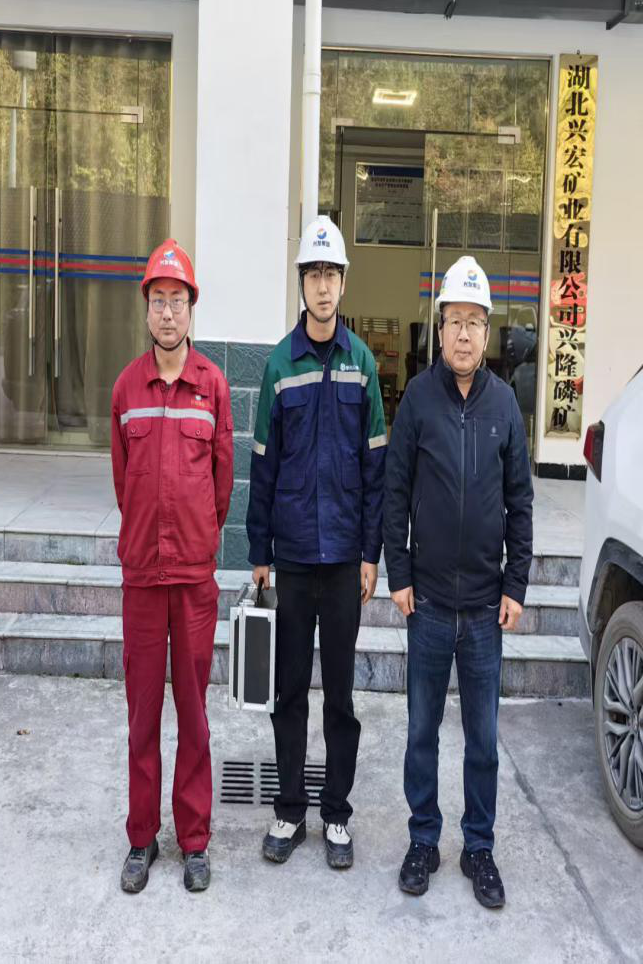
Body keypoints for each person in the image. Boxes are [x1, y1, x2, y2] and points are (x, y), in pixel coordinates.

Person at [384, 255, 533, 906]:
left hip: (483, 607)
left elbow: (521, 501)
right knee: (421, 733)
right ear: (439, 328)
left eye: (475, 321)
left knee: (483, 741)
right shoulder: (419, 399)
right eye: (455, 321)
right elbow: (395, 490)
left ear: (487, 331)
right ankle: (423, 839)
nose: (465, 333)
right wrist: (398, 572)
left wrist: (516, 584)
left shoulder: (506, 405)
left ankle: (479, 847)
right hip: (428, 605)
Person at [246, 217, 387, 871]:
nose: (323, 286)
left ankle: (336, 813)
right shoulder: (281, 364)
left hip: (344, 564)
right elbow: (263, 467)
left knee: (340, 698)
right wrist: (260, 553)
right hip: (296, 560)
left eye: (331, 274)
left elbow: (375, 468)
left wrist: (370, 554)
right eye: (314, 275)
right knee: (289, 692)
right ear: (301, 284)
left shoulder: (363, 366)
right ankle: (289, 810)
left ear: (343, 283)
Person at [110, 238, 233, 894]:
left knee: (192, 713)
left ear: (191, 309)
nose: (166, 312)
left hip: (192, 580)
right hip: (141, 577)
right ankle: (141, 837)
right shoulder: (126, 388)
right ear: (146, 309)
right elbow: (122, 480)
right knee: (142, 717)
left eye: (176, 300)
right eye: (157, 300)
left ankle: (194, 840)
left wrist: (195, 538)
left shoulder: (212, 386)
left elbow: (221, 484)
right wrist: (147, 535)